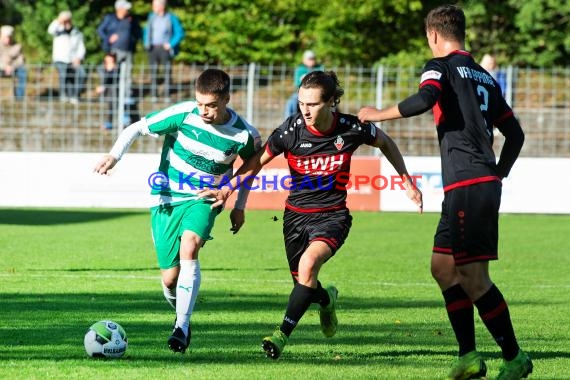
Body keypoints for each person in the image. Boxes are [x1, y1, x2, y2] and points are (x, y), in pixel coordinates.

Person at [358, 5, 531, 380]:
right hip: (471, 183)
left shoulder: (442, 66)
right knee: (442, 268)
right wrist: (498, 172)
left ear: (433, 35)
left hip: (469, 183)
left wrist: (376, 113)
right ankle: (468, 356)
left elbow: (423, 100)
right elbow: (514, 134)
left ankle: (515, 357)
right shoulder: (485, 76)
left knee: (473, 277)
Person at [199, 70, 423, 359]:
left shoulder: (351, 128)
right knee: (303, 285)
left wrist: (406, 182)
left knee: (308, 266)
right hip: (294, 218)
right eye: (302, 103)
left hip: (333, 217)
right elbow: (256, 162)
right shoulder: (290, 131)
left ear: (331, 102)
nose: (305, 109)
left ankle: (280, 336)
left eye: (313, 104)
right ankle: (327, 298)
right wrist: (227, 190)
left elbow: (386, 143)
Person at [94, 68, 262, 353]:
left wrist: (239, 205)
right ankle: (181, 313)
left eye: (211, 105)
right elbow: (136, 127)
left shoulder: (245, 134)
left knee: (190, 246)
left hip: (205, 199)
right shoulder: (184, 114)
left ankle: (181, 327)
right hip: (166, 198)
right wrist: (114, 155)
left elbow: (250, 168)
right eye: (200, 103)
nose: (204, 111)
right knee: (170, 279)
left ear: (226, 100)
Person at [97, 0, 142, 102]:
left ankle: (127, 95)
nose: (127, 10)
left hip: (128, 50)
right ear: (119, 8)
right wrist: (108, 38)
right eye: (125, 8)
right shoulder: (110, 18)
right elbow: (100, 30)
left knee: (127, 74)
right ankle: (110, 95)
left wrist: (133, 40)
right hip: (114, 51)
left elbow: (138, 32)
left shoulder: (131, 19)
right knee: (111, 73)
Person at [143, 0, 185, 102]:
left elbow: (180, 33)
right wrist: (146, 43)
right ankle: (154, 94)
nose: (153, 7)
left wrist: (171, 44)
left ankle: (167, 94)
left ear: (162, 6)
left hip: (165, 49)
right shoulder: (151, 17)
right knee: (153, 72)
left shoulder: (171, 18)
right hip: (153, 48)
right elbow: (146, 31)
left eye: (155, 5)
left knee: (167, 72)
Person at [48, 11, 87, 104]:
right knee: (64, 76)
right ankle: (64, 96)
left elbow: (81, 47)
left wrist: (79, 58)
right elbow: (50, 30)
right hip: (60, 59)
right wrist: (59, 20)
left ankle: (75, 96)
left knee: (82, 74)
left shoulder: (76, 32)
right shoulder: (57, 30)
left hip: (73, 60)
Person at [283, 50, 323, 118]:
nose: (311, 61)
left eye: (313, 58)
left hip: (318, 92)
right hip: (302, 92)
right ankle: (289, 120)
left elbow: (323, 81)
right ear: (304, 60)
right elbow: (297, 83)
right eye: (309, 59)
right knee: (291, 102)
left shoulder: (320, 68)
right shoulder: (300, 69)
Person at [0, 25, 26, 100]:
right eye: (6, 37)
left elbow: (21, 60)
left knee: (22, 72)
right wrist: (5, 66)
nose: (8, 39)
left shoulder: (17, 46)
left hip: (13, 69)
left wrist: (12, 66)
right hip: (1, 68)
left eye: (9, 37)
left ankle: (19, 98)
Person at [96, 53, 120, 130]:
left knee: (111, 91)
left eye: (111, 61)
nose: (109, 63)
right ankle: (108, 123)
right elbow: (104, 80)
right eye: (107, 61)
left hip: (115, 91)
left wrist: (112, 70)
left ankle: (109, 123)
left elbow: (115, 81)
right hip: (107, 92)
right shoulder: (101, 68)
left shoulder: (118, 69)